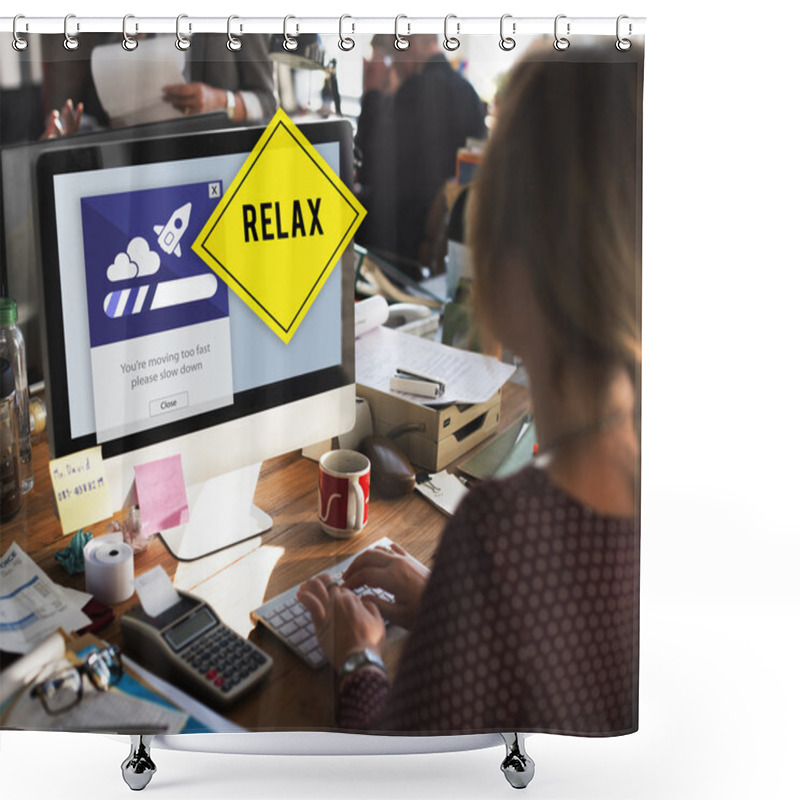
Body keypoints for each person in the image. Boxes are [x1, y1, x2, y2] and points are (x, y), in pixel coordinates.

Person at [299, 42, 642, 735]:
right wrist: (452, 608)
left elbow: (399, 776)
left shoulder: (503, 538)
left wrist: (357, 660)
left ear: (509, 268)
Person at [354, 34, 486, 268]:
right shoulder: (470, 93)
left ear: (410, 44)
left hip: (405, 246)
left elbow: (367, 168)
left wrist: (373, 92)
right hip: (451, 248)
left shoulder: (414, 91)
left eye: (394, 55)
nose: (393, 65)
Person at [40, 32, 277, 138]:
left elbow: (268, 102)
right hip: (144, 167)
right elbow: (95, 104)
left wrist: (222, 101)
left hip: (215, 162)